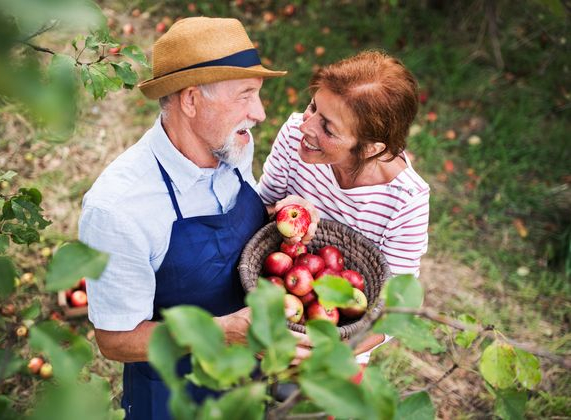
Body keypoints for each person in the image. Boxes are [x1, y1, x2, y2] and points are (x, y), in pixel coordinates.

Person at [78, 17, 310, 420]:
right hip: (175, 391)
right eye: (245, 95)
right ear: (190, 100)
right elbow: (114, 340)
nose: (259, 113)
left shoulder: (233, 146)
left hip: (249, 366)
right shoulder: (119, 208)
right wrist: (219, 332)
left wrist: (284, 219)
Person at [258, 50, 429, 374]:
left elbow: (396, 308)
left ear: (371, 148)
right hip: (268, 304)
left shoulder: (405, 200)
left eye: (328, 128)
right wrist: (280, 211)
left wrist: (323, 352)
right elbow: (255, 212)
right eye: (313, 107)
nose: (306, 126)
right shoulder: (296, 134)